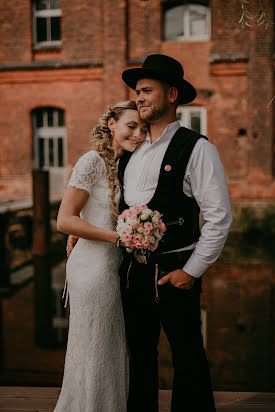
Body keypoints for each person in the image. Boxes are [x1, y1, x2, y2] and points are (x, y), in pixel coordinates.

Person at [117, 54, 233, 412]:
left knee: (187, 355)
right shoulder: (130, 152)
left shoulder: (197, 148)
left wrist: (191, 271)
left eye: (147, 90)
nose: (138, 97)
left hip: (174, 272)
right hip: (131, 272)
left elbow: (219, 217)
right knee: (139, 355)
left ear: (171, 95)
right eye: (137, 91)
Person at [54, 101, 148, 412]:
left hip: (108, 266)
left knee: (103, 346)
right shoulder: (91, 160)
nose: (138, 134)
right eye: (131, 126)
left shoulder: (120, 164)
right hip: (92, 268)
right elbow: (65, 219)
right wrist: (119, 238)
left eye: (143, 129)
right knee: (96, 348)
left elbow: (90, 213)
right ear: (111, 124)